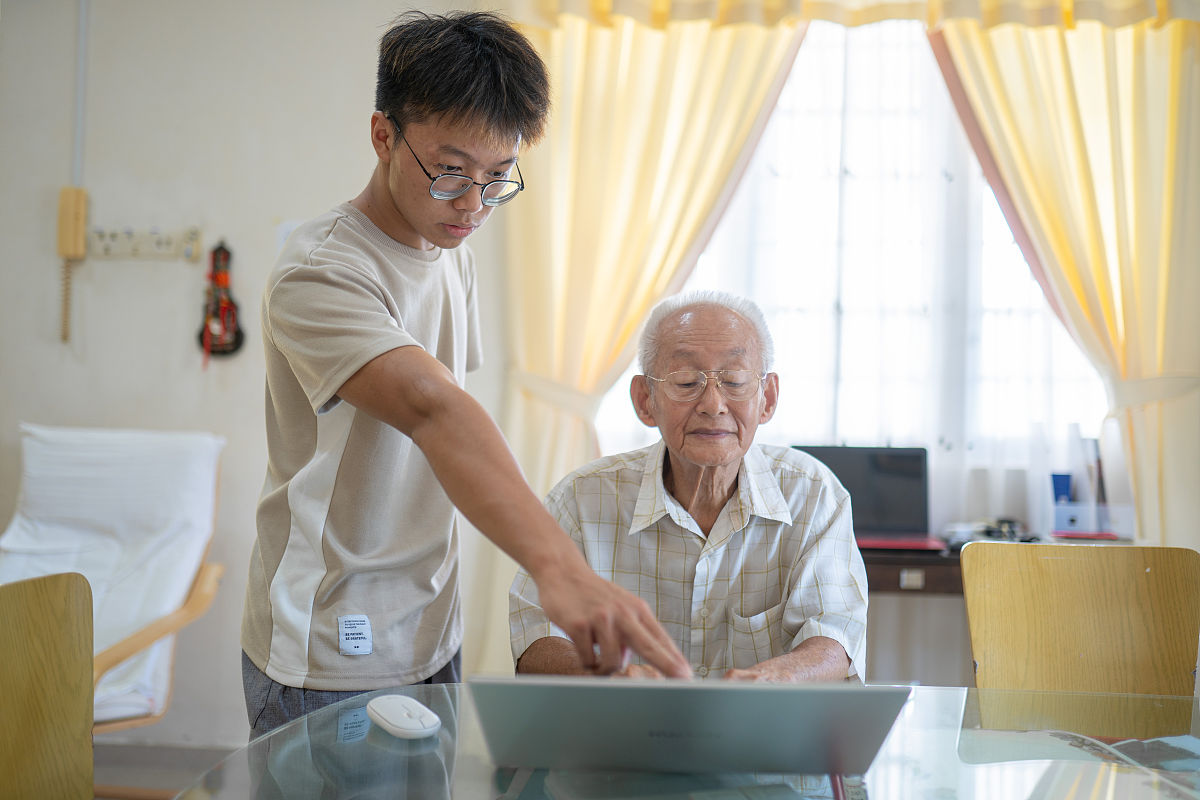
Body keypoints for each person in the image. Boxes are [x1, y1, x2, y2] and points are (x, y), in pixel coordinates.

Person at [241, 10, 689, 735]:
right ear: (384, 135)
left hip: (428, 629)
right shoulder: (321, 272)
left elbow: (444, 430)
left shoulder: (452, 252)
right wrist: (562, 573)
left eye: (498, 177)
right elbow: (433, 409)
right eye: (450, 171)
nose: (475, 204)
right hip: (329, 638)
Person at [509, 290, 868, 681]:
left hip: (764, 734)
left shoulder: (813, 495)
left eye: (733, 380)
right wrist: (611, 679)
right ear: (645, 400)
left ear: (767, 398)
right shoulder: (580, 499)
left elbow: (835, 636)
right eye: (685, 382)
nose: (713, 404)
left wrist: (774, 679)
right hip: (622, 732)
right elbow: (536, 638)